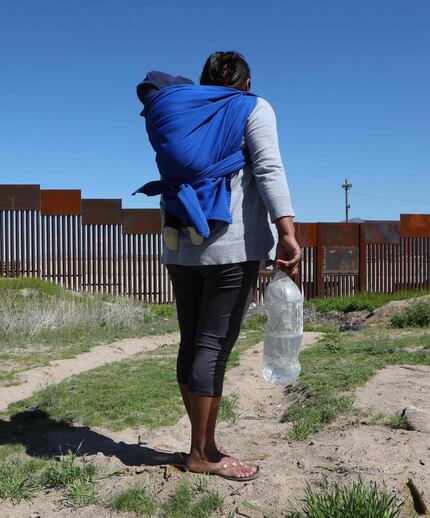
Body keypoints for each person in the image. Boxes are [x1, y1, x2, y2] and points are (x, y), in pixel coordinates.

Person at [135, 51, 301, 481]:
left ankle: (201, 445)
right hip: (230, 246)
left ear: (203, 82)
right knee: (213, 347)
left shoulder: (184, 111)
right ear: (246, 84)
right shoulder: (252, 107)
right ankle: (203, 452)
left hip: (180, 247)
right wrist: (286, 231)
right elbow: (268, 167)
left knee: (191, 342)